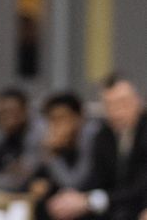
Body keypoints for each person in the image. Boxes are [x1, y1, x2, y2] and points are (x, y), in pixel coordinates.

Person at [48, 76, 147, 220]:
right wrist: (76, 197)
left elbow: (141, 186)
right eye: (110, 105)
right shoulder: (104, 135)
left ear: (138, 101)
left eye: (123, 103)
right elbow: (96, 177)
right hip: (115, 206)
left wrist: (91, 200)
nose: (117, 111)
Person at [30, 92, 96, 220]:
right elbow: (35, 179)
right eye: (52, 120)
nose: (58, 125)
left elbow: (73, 184)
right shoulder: (52, 142)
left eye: (63, 118)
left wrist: (52, 155)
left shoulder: (92, 139)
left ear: (79, 118)